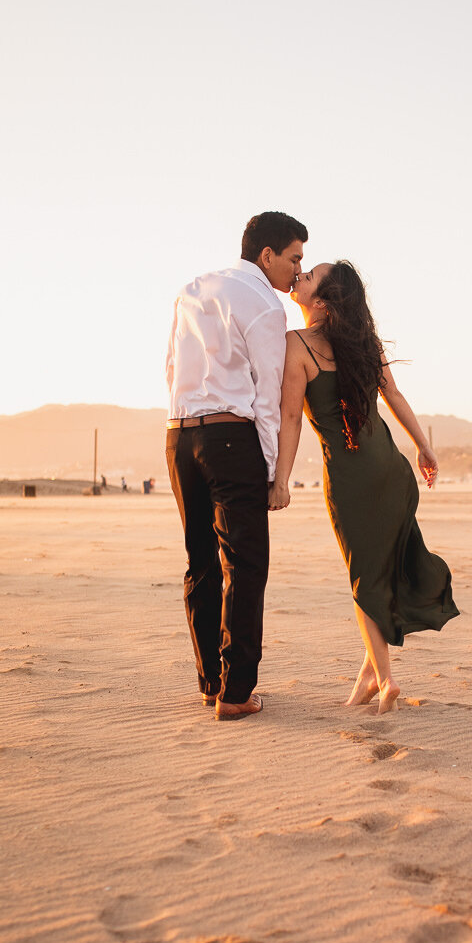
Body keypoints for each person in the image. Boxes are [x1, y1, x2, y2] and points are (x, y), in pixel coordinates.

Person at [270, 261, 458, 712]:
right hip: (392, 471)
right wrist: (424, 448)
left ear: (322, 300)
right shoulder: (362, 345)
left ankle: (388, 679)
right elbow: (394, 397)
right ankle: (369, 677)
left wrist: (281, 480)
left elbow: (292, 419)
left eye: (309, 274)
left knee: (363, 580)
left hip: (351, 479)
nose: (300, 276)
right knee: (374, 573)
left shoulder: (296, 345)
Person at [165, 211, 307, 722]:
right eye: (294, 258)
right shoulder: (266, 305)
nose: (298, 270)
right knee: (245, 567)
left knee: (200, 562)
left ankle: (210, 683)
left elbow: (171, 368)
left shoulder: (192, 289)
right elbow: (267, 396)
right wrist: (273, 473)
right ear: (266, 256)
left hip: (179, 435)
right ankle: (236, 692)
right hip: (232, 437)